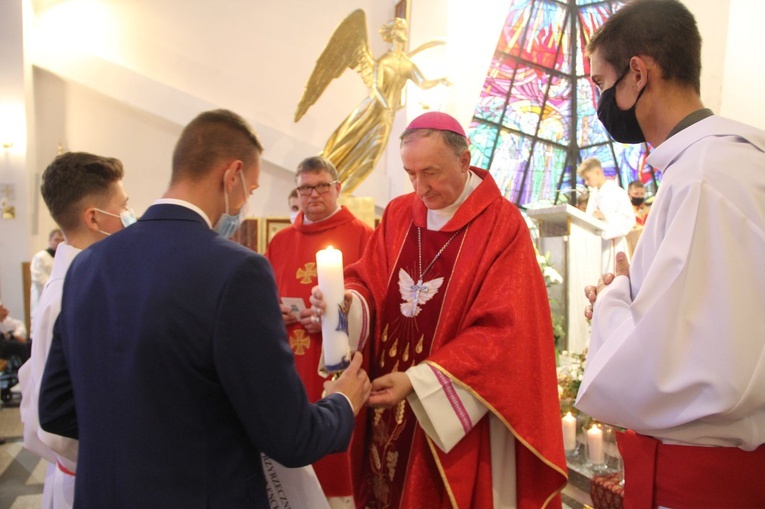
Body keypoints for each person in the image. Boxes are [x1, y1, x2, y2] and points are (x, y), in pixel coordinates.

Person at [38, 109, 371, 508]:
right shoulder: (237, 271)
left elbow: (55, 410)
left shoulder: (87, 265)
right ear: (231, 176)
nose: (245, 201)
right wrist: (343, 401)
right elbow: (292, 439)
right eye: (249, 189)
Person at [311, 111, 567, 508]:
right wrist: (348, 305)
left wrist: (416, 381)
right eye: (410, 173)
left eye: (430, 172)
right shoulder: (399, 214)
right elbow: (369, 281)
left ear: (464, 161)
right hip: (386, 402)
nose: (420, 188)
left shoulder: (501, 226)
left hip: (448, 415)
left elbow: (503, 334)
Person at [574, 1, 765, 506]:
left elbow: (678, 372)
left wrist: (615, 302)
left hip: (704, 478)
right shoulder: (728, 165)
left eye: (599, 83)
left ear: (638, 73)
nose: (599, 99)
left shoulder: (703, 179)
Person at [18, 152, 132, 509]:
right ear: (95, 218)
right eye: (124, 207)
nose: (131, 217)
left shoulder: (86, 282)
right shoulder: (67, 295)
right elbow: (48, 422)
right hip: (86, 478)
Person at [265, 156, 373, 508]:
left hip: (337, 369)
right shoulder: (280, 241)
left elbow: (374, 305)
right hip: (289, 368)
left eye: (321, 186)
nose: (312, 194)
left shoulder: (364, 236)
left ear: (338, 188)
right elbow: (262, 298)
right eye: (304, 188)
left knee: (339, 463)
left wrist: (331, 320)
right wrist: (273, 312)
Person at [295, 12, 450, 194]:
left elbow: (423, 83)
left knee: (372, 155)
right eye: (400, 28)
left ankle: (342, 193)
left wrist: (440, 81)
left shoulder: (407, 65)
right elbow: (376, 88)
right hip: (372, 110)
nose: (404, 32)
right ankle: (325, 181)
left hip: (387, 115)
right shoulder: (384, 61)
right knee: (344, 144)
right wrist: (386, 107)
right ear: (392, 33)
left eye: (405, 29)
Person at [576, 157, 635, 273]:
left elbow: (629, 219)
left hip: (613, 244)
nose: (587, 183)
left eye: (587, 178)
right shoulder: (594, 195)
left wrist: (605, 216)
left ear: (597, 172)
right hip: (596, 245)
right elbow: (589, 218)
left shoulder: (617, 192)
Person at [30, 228, 64, 326]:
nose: (59, 242)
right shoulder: (41, 257)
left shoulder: (64, 257)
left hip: (60, 300)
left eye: (62, 240)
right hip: (44, 298)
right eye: (56, 239)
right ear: (50, 241)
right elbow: (41, 280)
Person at [625, 180, 650, 256]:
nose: (639, 196)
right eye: (636, 194)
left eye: (642, 194)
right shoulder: (626, 212)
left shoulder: (649, 211)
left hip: (648, 247)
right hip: (632, 248)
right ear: (629, 194)